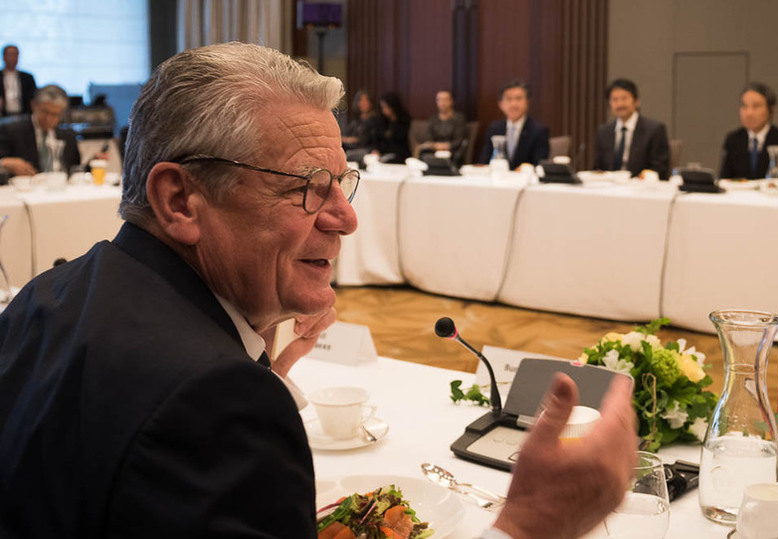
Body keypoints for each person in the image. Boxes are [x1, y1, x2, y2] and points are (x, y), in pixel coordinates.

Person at [0, 42, 637, 538]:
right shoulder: (215, 403)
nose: (345, 217)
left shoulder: (47, 296)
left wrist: (250, 361)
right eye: (306, 186)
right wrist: (532, 523)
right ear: (179, 199)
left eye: (342, 181)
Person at [719, 82, 778, 180]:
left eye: (756, 106)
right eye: (744, 106)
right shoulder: (733, 139)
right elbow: (724, 180)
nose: (749, 113)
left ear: (771, 110)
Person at [593, 78, 670, 178]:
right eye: (614, 100)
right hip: (609, 188)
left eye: (624, 99)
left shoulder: (654, 130)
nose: (620, 104)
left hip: (640, 189)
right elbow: (598, 167)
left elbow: (660, 168)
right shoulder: (603, 131)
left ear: (636, 101)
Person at [0, 84, 81, 176]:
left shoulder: (68, 136)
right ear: (33, 105)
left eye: (55, 114)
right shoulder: (12, 130)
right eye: (45, 112)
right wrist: (4, 163)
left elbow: (76, 170)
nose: (48, 119)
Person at [478, 80, 550, 168]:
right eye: (509, 99)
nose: (513, 104)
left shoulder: (539, 131)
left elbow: (539, 166)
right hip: (497, 179)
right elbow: (484, 161)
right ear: (501, 104)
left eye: (519, 98)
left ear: (527, 102)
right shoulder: (494, 128)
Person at [417, 89, 467, 161]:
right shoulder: (433, 119)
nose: (442, 103)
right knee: (423, 152)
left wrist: (446, 146)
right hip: (434, 150)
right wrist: (435, 145)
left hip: (452, 151)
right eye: (439, 100)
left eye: (445, 100)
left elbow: (459, 140)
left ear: (451, 101)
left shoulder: (459, 118)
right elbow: (428, 136)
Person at [341, 89, 384, 162]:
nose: (362, 103)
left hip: (367, 149)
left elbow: (365, 139)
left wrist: (349, 139)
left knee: (347, 155)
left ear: (370, 102)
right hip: (353, 147)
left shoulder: (374, 119)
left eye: (365, 100)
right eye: (360, 100)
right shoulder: (357, 119)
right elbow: (346, 134)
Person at [0, 44, 37, 117]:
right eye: (9, 55)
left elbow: (33, 98)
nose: (12, 58)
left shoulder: (27, 78)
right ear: (3, 57)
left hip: (23, 116)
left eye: (15, 55)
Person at [377, 91, 412, 163]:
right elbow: (379, 139)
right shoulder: (382, 120)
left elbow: (401, 140)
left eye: (386, 107)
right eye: (382, 107)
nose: (384, 110)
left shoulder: (404, 119)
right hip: (385, 153)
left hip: (400, 153)